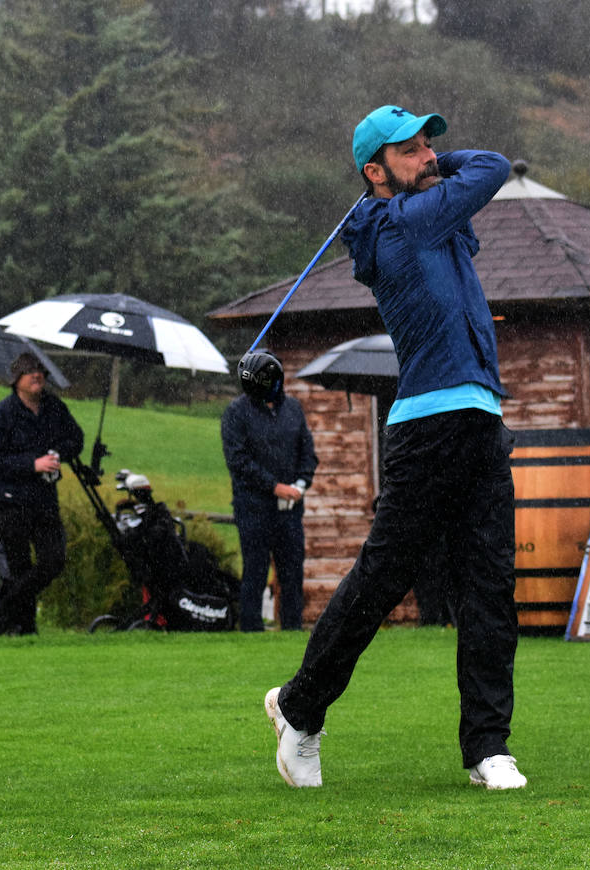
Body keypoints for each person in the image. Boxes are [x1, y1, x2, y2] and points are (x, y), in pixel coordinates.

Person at [264, 105, 525, 790]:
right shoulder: (407, 221)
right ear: (372, 173)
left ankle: (487, 748)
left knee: (491, 588)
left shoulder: (430, 216)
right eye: (407, 152)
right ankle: (299, 707)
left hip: (480, 417)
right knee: (382, 581)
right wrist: (439, 168)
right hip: (427, 425)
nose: (429, 157)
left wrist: (426, 163)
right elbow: (494, 165)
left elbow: (465, 174)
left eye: (428, 144)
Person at [0, 352, 83, 635]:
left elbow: (77, 439)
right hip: (12, 502)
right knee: (20, 567)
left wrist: (57, 453)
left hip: (45, 500)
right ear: (16, 380)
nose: (37, 375)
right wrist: (31, 464)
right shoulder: (1, 413)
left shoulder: (54, 408)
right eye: (29, 371)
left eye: (40, 370)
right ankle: (25, 630)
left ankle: (2, 609)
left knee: (53, 560)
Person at [222, 350, 318, 632]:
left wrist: (300, 484)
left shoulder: (293, 409)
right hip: (253, 507)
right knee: (255, 570)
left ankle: (292, 630)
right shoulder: (236, 413)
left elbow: (307, 453)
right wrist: (274, 487)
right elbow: (238, 461)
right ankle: (251, 629)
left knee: (292, 572)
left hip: (289, 509)